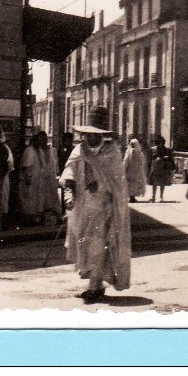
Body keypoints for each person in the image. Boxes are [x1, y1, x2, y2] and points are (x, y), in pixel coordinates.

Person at [60, 125, 131, 304]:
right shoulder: (79, 150)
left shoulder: (112, 153)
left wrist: (99, 184)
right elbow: (69, 172)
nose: (89, 138)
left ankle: (94, 286)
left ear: (101, 135)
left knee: (97, 246)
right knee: (85, 246)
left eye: (94, 134)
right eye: (86, 134)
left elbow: (117, 183)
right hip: (82, 208)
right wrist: (68, 193)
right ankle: (96, 285)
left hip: (104, 208)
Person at [19, 131, 52, 225]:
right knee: (28, 202)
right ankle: (28, 222)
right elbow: (25, 166)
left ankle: (35, 221)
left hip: (38, 181)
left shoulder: (41, 151)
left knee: (38, 202)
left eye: (43, 140)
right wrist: (27, 178)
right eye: (40, 140)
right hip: (30, 180)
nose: (41, 142)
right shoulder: (29, 150)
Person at [148, 136, 174, 202]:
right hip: (155, 167)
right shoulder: (153, 149)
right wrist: (149, 168)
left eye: (161, 142)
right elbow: (151, 159)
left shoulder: (167, 150)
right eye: (159, 142)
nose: (160, 144)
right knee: (154, 183)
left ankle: (161, 196)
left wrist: (171, 166)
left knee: (162, 182)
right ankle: (153, 196)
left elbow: (171, 159)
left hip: (163, 168)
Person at [124, 138, 149, 203]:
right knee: (134, 183)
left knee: (132, 183)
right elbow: (142, 161)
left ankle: (132, 196)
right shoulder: (138, 152)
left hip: (132, 170)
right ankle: (132, 196)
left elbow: (126, 160)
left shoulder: (129, 151)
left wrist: (124, 167)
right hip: (135, 170)